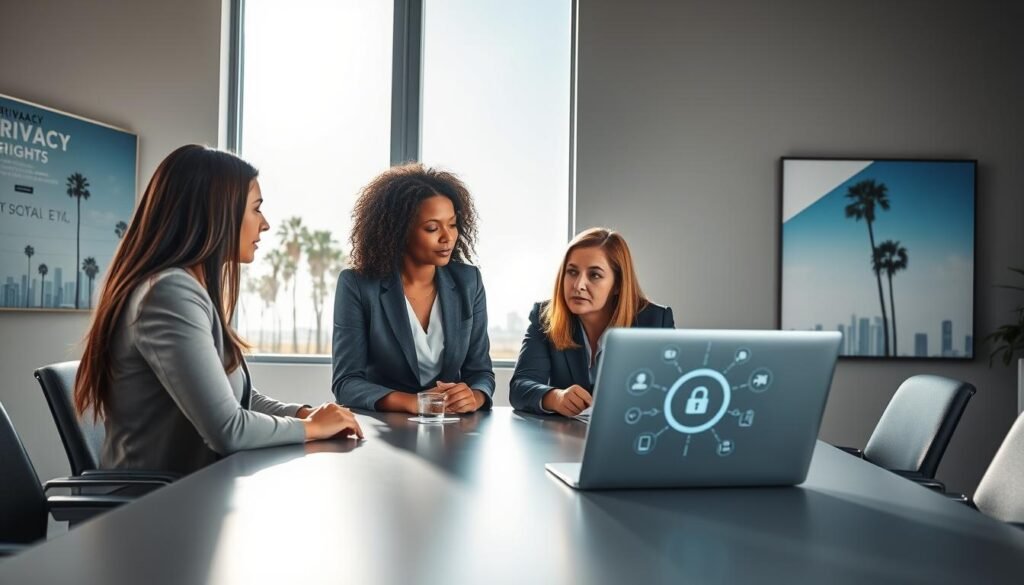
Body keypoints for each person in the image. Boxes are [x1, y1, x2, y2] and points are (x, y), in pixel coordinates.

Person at [74, 145, 362, 475]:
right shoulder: (168, 293)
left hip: (191, 494)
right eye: (256, 209)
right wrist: (313, 428)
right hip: (150, 509)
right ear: (216, 213)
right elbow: (228, 429)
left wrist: (303, 414)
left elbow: (239, 399)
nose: (265, 225)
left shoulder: (183, 288)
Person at [332, 163, 495, 413]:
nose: (447, 237)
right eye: (432, 228)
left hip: (451, 429)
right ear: (399, 232)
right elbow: (346, 383)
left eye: (452, 224)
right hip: (383, 428)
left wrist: (474, 396)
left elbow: (481, 372)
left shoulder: (469, 281)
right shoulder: (357, 285)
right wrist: (416, 402)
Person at [509, 227, 674, 417]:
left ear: (618, 284)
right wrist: (556, 397)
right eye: (572, 272)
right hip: (565, 440)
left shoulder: (655, 321)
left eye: (594, 275)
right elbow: (520, 387)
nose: (578, 285)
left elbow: (669, 392)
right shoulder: (545, 316)